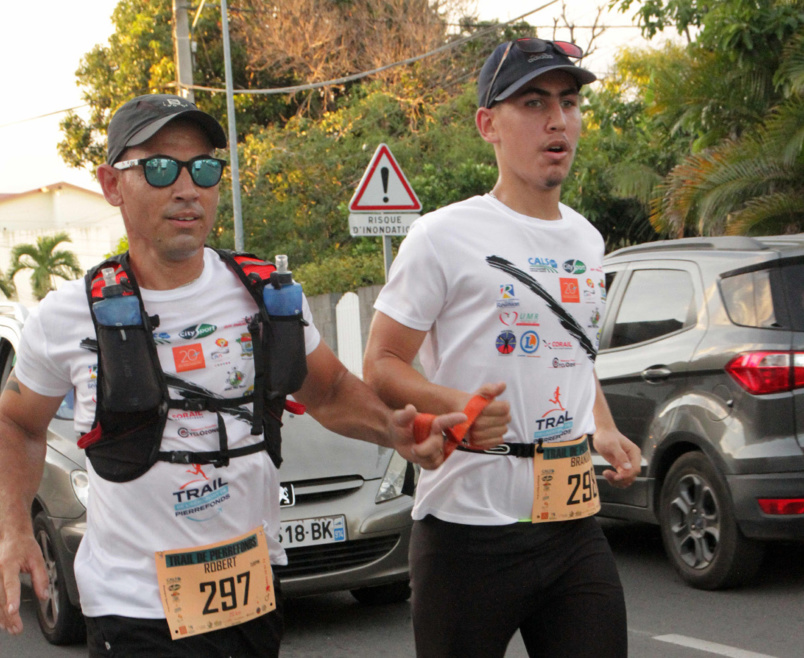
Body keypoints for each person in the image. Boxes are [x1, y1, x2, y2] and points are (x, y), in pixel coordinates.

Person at [0, 93, 466, 657]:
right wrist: (15, 527)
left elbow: (331, 390)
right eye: (160, 167)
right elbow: (19, 425)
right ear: (111, 183)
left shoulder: (264, 296)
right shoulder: (68, 314)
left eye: (203, 168)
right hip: (136, 615)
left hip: (251, 602)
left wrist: (394, 429)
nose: (187, 187)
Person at [363, 38, 642, 657]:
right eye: (534, 102)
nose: (557, 120)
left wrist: (603, 426)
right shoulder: (442, 235)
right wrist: (454, 402)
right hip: (467, 532)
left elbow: (572, 351)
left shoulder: (587, 239)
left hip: (571, 526)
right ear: (488, 124)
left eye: (569, 103)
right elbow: (379, 364)